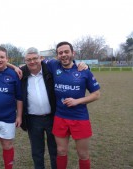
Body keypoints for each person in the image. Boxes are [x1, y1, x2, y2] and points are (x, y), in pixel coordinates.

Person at [46, 41, 101, 169]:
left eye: (66, 52)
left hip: (80, 118)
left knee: (82, 153)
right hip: (60, 117)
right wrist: (14, 66)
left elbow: (97, 94)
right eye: (60, 53)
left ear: (73, 53)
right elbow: (36, 61)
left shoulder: (84, 70)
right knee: (61, 151)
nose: (63, 55)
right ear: (57, 56)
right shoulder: (54, 65)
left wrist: (77, 101)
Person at [20, 47, 57, 169]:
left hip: (52, 118)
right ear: (25, 61)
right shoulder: (21, 73)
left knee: (55, 150)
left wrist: (84, 66)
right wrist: (13, 66)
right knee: (37, 152)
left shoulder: (50, 70)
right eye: (28, 59)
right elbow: (2, 65)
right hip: (33, 120)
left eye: (35, 58)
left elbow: (67, 64)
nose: (32, 62)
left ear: (41, 58)